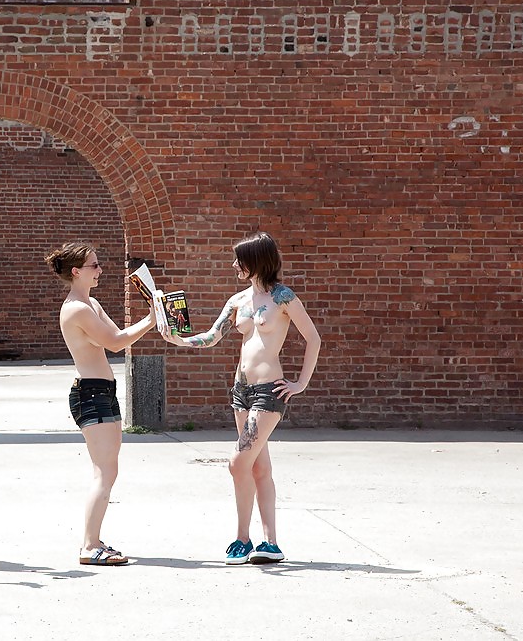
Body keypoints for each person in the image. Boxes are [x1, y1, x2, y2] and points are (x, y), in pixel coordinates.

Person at [161, 232, 320, 565]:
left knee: (237, 463)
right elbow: (212, 336)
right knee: (258, 466)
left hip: (268, 392)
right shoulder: (237, 301)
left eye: (240, 260)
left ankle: (242, 539)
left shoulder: (283, 297)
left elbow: (313, 338)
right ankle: (270, 544)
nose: (234, 265)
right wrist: (178, 340)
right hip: (241, 392)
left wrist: (300, 383)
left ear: (256, 261)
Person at [44, 242, 156, 566]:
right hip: (90, 394)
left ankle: (93, 540)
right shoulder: (76, 309)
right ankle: (89, 545)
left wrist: (153, 318)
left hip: (103, 391)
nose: (100, 270)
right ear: (76, 271)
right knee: (104, 472)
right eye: (93, 265)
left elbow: (117, 334)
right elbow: (117, 344)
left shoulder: (91, 303)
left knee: (108, 470)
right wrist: (152, 319)